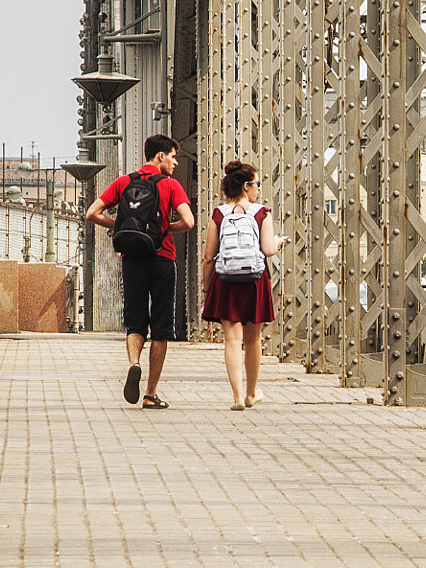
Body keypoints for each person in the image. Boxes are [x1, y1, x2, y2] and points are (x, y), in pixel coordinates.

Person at [86, 134, 195, 408]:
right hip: (162, 259)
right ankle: (150, 394)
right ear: (160, 156)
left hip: (132, 258)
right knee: (160, 328)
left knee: (135, 322)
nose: (175, 163)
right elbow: (189, 221)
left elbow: (92, 213)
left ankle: (134, 363)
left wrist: (120, 227)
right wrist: (164, 229)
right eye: (173, 157)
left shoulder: (124, 182)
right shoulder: (170, 185)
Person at [199, 160, 289, 409]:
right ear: (247, 186)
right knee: (252, 340)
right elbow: (269, 250)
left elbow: (208, 258)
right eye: (257, 184)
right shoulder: (262, 213)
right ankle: (251, 394)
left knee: (231, 339)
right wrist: (279, 241)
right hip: (255, 280)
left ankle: (237, 397)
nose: (259, 189)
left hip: (226, 280)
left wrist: (207, 288)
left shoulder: (219, 214)